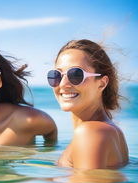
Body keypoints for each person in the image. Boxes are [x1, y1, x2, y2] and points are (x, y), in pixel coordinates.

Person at [47, 39, 128, 169]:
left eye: (76, 75)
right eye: (56, 75)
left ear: (102, 83)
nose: (63, 84)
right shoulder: (108, 130)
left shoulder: (90, 133)